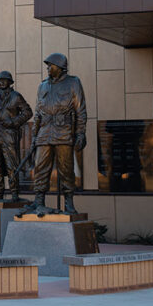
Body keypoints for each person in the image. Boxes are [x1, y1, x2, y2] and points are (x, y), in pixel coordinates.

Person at [25, 53, 87, 215]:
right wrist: (34, 137)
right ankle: (39, 201)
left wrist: (80, 133)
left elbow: (80, 111)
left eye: (50, 65)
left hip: (64, 132)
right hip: (44, 133)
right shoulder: (43, 86)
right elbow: (37, 113)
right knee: (40, 168)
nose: (47, 68)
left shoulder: (73, 83)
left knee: (66, 169)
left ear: (60, 67)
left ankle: (69, 203)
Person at [0, 71, 32, 202]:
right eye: (0, 80)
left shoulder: (16, 96)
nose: (3, 82)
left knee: (12, 164)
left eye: (5, 80)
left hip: (9, 134)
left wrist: (13, 122)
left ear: (10, 82)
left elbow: (28, 112)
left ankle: (14, 193)